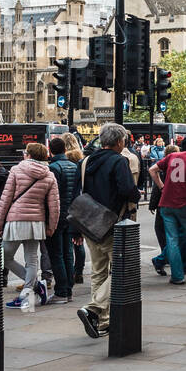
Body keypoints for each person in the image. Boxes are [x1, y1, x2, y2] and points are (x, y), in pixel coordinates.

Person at [75, 123, 139, 339]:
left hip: (88, 222)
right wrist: (136, 196)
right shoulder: (119, 161)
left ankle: (101, 320)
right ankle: (94, 308)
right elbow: (127, 190)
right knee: (123, 268)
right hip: (111, 222)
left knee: (98, 271)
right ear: (120, 142)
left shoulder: (86, 161)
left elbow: (79, 191)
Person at [0, 142, 60, 310]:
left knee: (4, 257)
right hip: (36, 221)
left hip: (16, 219)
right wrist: (51, 226)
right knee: (31, 259)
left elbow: (6, 198)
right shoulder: (49, 175)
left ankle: (33, 287)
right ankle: (29, 291)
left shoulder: (17, 170)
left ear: (29, 155)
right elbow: (54, 205)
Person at [149, 137, 186, 285]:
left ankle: (177, 276)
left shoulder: (172, 156)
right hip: (184, 204)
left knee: (172, 240)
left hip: (166, 204)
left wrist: (162, 187)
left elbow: (152, 170)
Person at [46, 136, 80, 304]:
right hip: (71, 214)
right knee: (68, 253)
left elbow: (53, 195)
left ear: (50, 150)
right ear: (65, 149)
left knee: (56, 254)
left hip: (58, 215)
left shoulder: (53, 167)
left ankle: (61, 290)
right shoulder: (74, 166)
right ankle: (68, 289)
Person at [62, 133, 86, 285]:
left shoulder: (63, 160)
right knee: (79, 241)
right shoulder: (81, 159)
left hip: (66, 203)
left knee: (69, 242)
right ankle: (79, 271)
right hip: (80, 203)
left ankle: (70, 272)